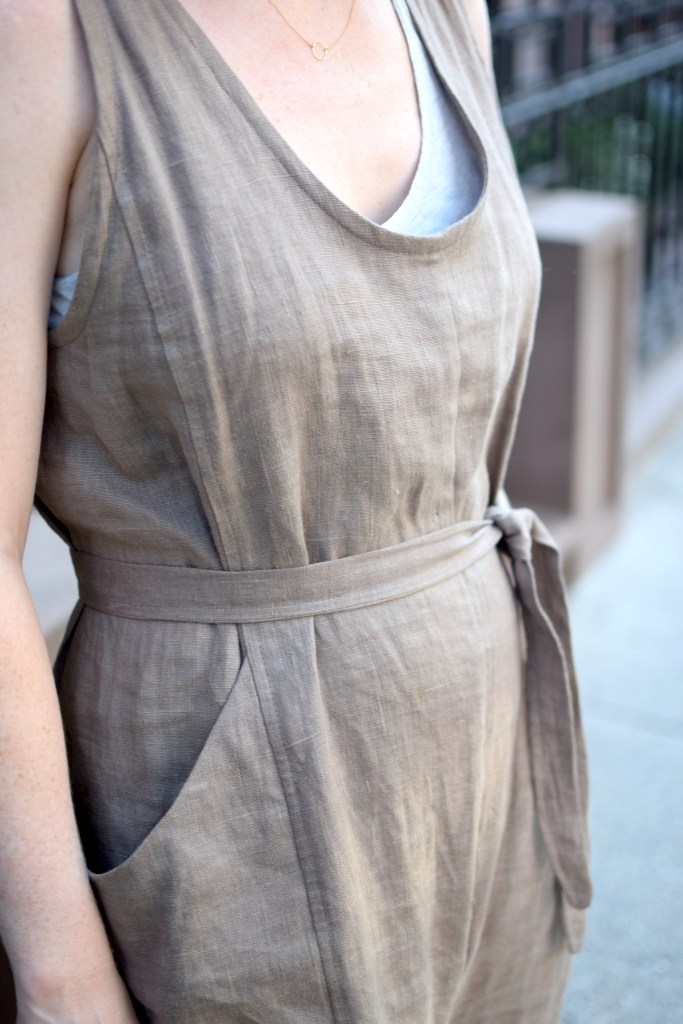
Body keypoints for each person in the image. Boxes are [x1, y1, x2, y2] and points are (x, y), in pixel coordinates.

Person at [0, 0, 592, 1021]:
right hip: (232, 830)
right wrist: (62, 979)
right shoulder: (50, 30)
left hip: (486, 799)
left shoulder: (446, 13)